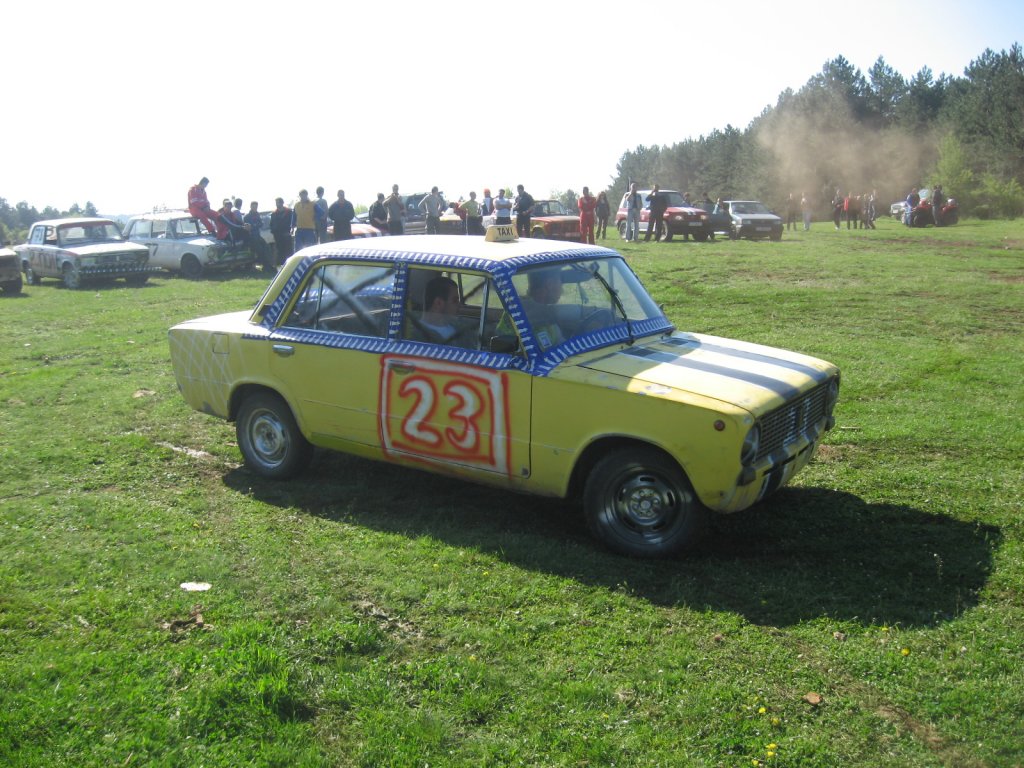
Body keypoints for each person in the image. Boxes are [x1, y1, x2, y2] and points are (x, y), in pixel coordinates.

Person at [520, 268, 565, 349]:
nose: (562, 291)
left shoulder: (518, 308)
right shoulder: (524, 314)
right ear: (549, 284)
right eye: (560, 284)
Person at [419, 276, 463, 343]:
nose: (459, 305)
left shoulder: (456, 329)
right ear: (438, 303)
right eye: (455, 301)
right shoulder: (419, 335)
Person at [243, 201, 271, 267]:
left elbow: (261, 224)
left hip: (257, 236)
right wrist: (255, 225)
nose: (255, 208)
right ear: (250, 207)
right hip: (251, 237)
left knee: (267, 247)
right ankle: (263, 264)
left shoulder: (257, 215)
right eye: (253, 206)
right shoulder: (247, 216)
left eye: (256, 207)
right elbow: (248, 227)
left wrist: (255, 225)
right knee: (260, 250)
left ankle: (267, 264)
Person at [269, 197, 293, 266]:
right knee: (280, 252)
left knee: (289, 251)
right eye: (276, 203)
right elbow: (271, 224)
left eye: (278, 203)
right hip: (278, 236)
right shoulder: (274, 213)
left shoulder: (289, 212)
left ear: (282, 203)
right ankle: (282, 266)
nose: (277, 204)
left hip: (286, 234)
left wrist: (289, 231)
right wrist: (274, 232)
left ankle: (290, 265)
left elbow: (292, 222)